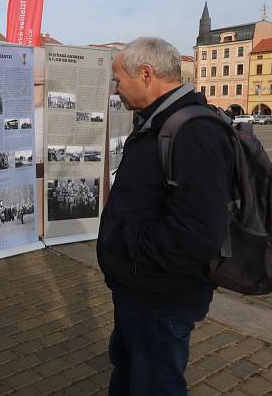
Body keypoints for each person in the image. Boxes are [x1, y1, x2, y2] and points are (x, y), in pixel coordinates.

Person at [97, 37, 234, 396]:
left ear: (145, 74)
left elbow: (198, 232)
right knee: (130, 375)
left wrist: (124, 241)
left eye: (117, 79)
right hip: (139, 288)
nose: (116, 89)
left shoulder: (194, 131)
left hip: (161, 296)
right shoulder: (159, 124)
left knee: (155, 385)